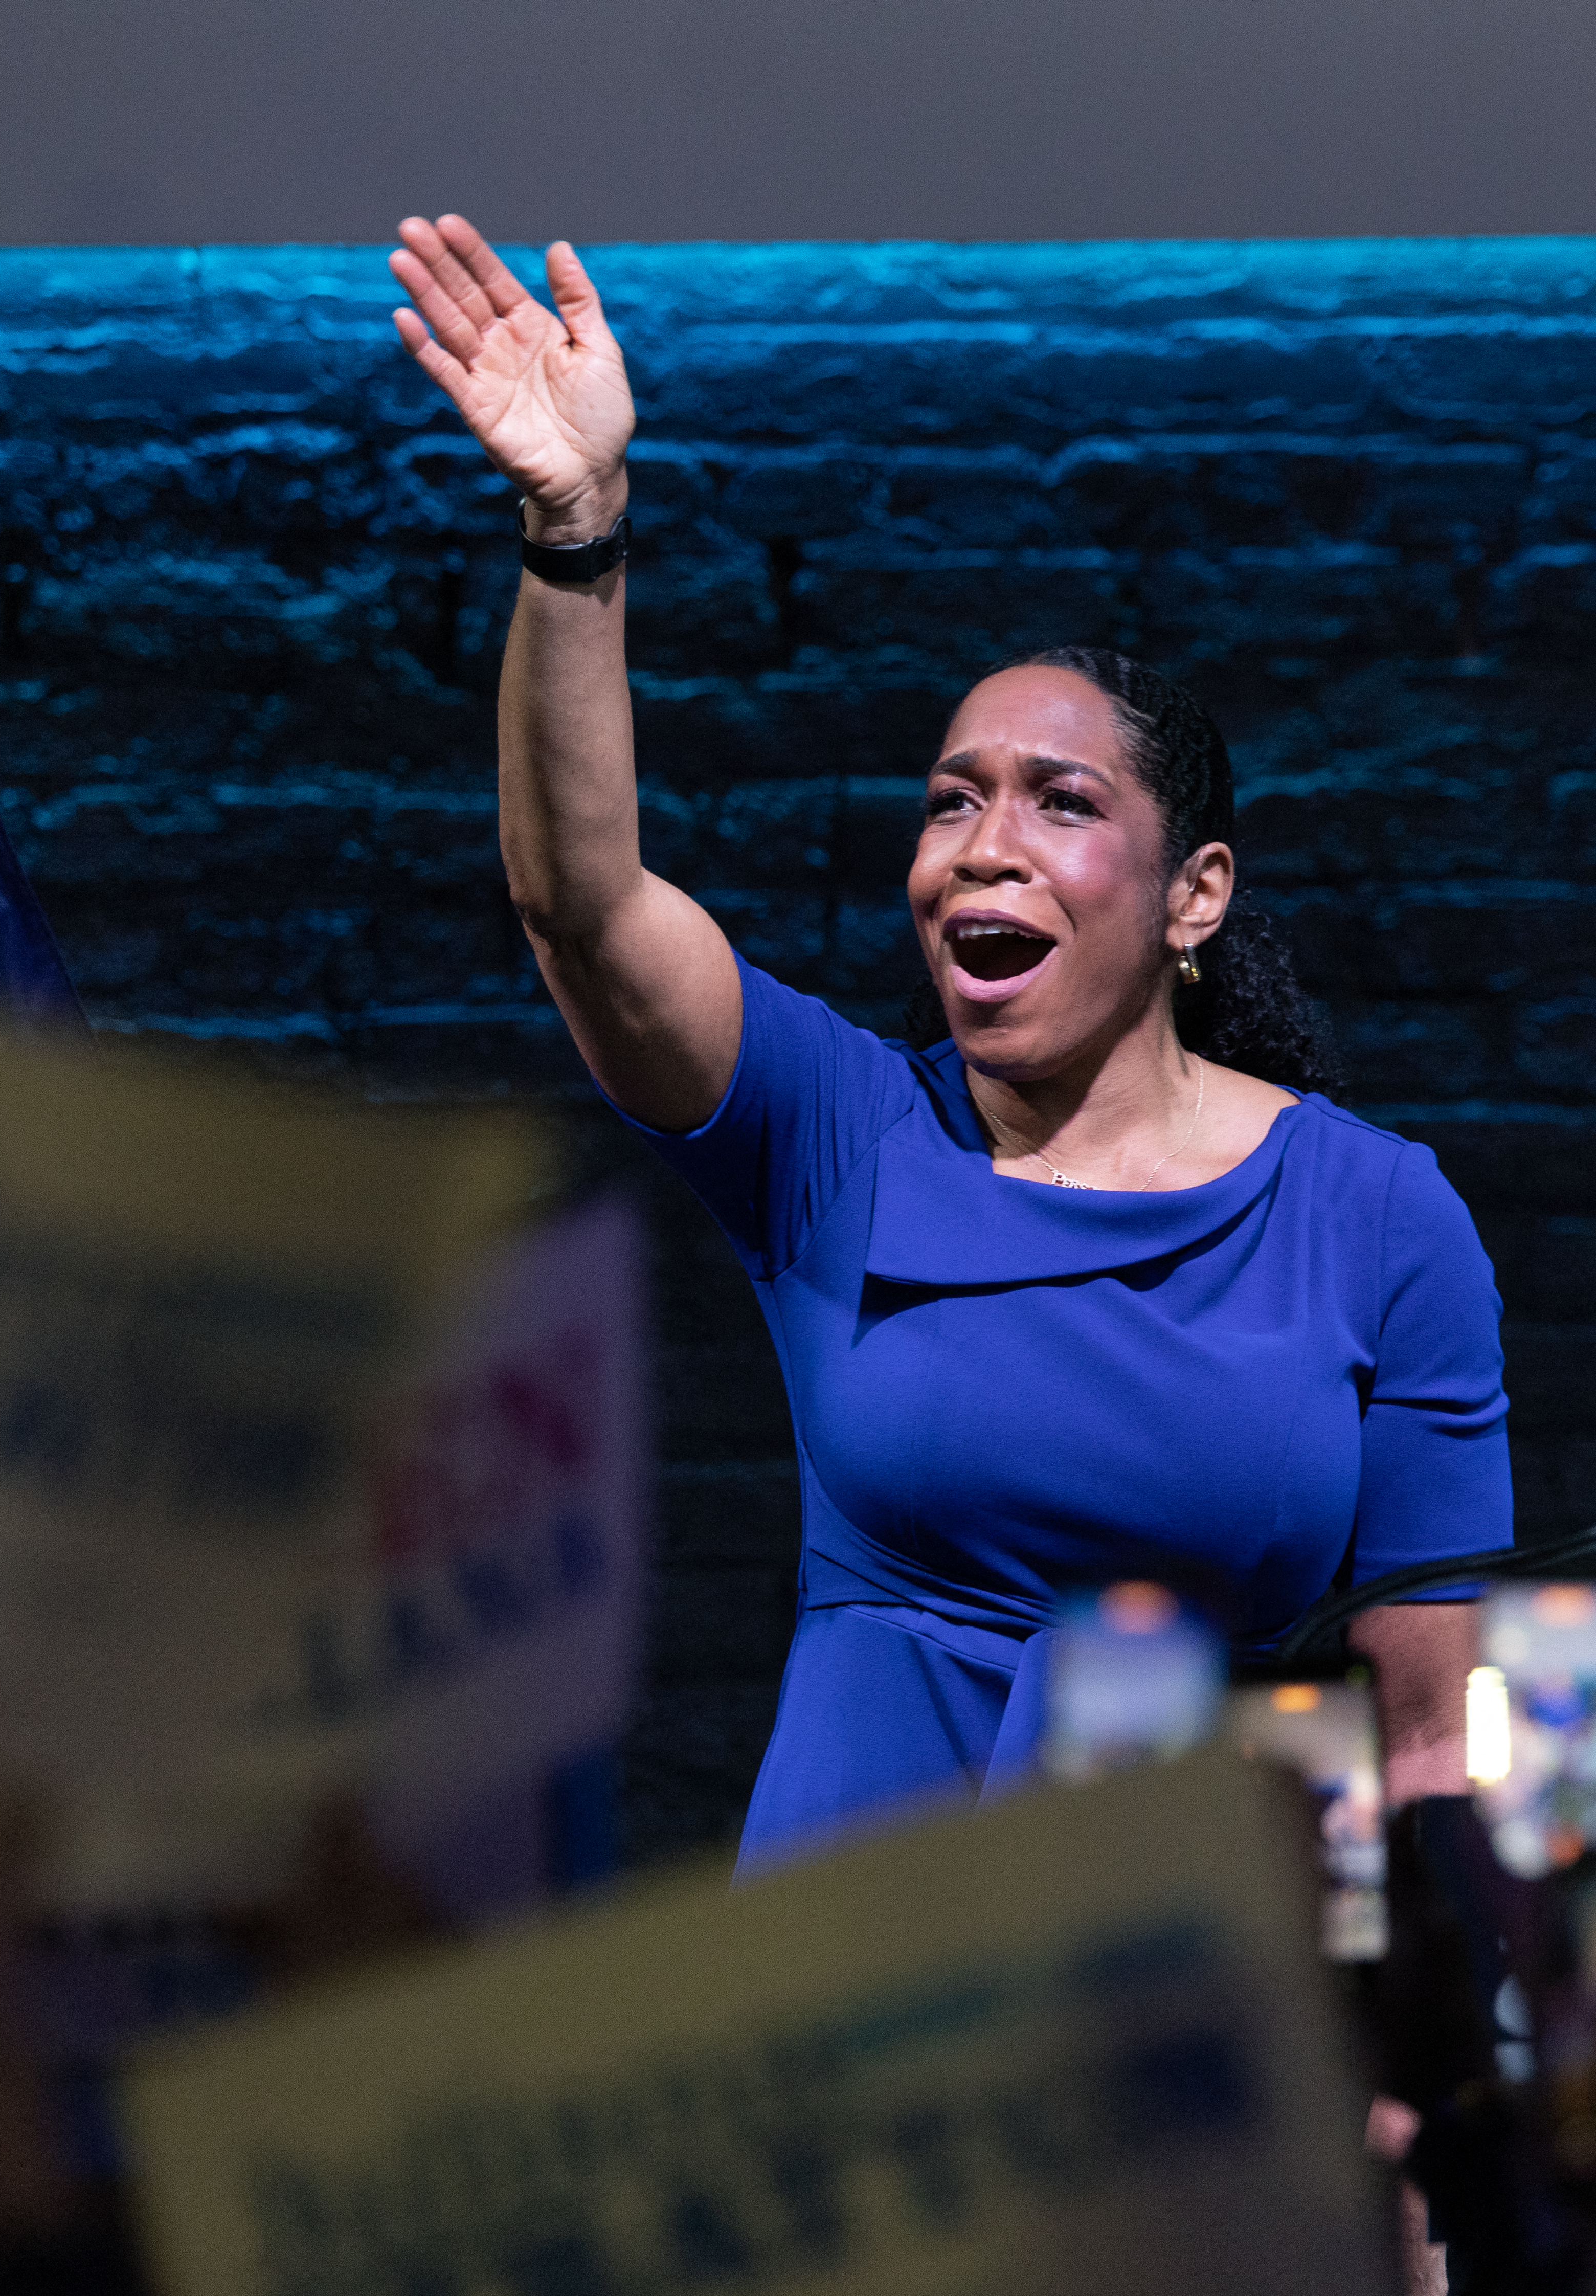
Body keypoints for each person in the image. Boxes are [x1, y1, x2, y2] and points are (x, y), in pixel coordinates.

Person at [387, 215, 1513, 1868]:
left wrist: (1444, 2063)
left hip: (1189, 2004)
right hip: (855, 2016)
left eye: (1060, 804)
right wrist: (578, 532)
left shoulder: (1377, 1219)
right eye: (950, 802)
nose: (983, 845)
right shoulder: (839, 1136)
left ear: (1192, 896)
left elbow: (1433, 1738)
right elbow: (583, 905)